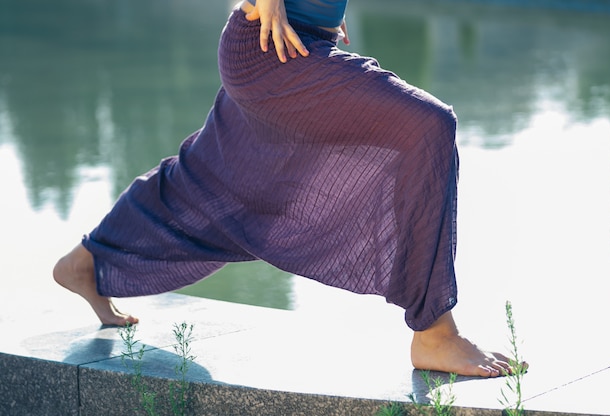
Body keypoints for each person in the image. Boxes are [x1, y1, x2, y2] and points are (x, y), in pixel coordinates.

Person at [54, 0, 523, 377]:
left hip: (293, 43)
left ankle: (86, 261)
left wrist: (325, 14)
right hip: (271, 46)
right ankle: (435, 333)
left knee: (209, 180)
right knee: (427, 125)